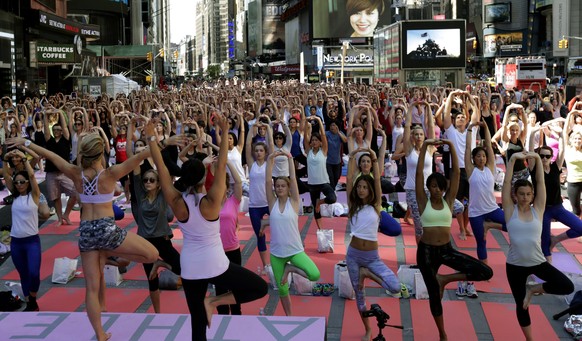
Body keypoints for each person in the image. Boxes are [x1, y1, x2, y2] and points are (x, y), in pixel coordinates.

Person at [6, 132, 159, 341]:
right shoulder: (109, 174)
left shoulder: (75, 173)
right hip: (106, 230)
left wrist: (25, 143)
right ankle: (113, 255)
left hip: (86, 232)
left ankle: (100, 334)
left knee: (92, 288)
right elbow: (142, 156)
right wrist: (159, 140)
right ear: (100, 154)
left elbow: (50, 155)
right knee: (152, 254)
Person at [146, 115, 267, 341]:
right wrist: (223, 131)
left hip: (190, 268)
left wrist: (151, 137)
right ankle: (214, 301)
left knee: (197, 327)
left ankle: (209, 303)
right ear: (204, 176)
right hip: (216, 265)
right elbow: (221, 164)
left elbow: (161, 169)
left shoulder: (178, 202)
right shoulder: (210, 203)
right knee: (259, 288)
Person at [415, 139, 493, 341]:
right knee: (434, 296)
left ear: (443, 189)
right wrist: (425, 146)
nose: (436, 190)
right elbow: (417, 175)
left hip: (446, 249)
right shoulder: (423, 201)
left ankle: (445, 279)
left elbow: (457, 173)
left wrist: (450, 144)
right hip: (426, 252)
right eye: (432, 186)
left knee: (485, 272)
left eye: (439, 187)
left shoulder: (449, 201)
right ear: (428, 188)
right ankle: (442, 334)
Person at [502, 151, 573, 340]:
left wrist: (535, 158)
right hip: (515, 266)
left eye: (528, 194)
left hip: (537, 262)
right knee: (521, 305)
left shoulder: (538, 209)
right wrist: (513, 160)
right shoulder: (510, 210)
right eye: (521, 194)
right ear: (515, 196)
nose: (525, 197)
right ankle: (530, 339)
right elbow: (506, 183)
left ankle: (533, 289)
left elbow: (541, 183)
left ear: (533, 196)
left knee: (566, 285)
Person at [127, 116, 182, 314]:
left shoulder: (162, 193)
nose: (148, 182)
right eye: (146, 180)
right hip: (145, 242)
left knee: (182, 269)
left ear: (158, 183)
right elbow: (132, 158)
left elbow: (160, 165)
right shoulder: (140, 192)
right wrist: (131, 129)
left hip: (163, 238)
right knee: (152, 281)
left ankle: (161, 263)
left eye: (152, 180)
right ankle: (158, 313)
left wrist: (161, 142)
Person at [345, 147, 401, 341]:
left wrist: (375, 160)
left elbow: (377, 180)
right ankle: (368, 330)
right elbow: (350, 176)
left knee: (395, 287)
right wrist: (352, 157)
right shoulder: (353, 206)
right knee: (359, 297)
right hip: (353, 256)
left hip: (372, 259)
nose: (360, 189)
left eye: (364, 187)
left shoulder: (376, 206)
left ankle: (367, 273)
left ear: (370, 190)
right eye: (358, 187)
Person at [262, 150, 320, 316]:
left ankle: (290, 269)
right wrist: (270, 160)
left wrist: (289, 159)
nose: (279, 188)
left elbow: (294, 179)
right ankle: (289, 316)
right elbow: (267, 182)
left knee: (314, 274)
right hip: (276, 253)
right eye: (277, 186)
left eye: (283, 186)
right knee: (282, 289)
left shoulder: (294, 202)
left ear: (288, 189)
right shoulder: (272, 203)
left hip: (294, 250)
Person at [466, 122, 506, 262]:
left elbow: (489, 145)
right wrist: (470, 129)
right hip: (476, 213)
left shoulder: (490, 168)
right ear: (473, 159)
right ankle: (485, 268)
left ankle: (489, 226)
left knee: (512, 225)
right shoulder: (471, 171)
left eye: (483, 156)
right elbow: (467, 148)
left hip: (492, 209)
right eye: (478, 156)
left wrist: (486, 127)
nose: (481, 158)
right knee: (481, 242)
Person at [8, 159, 41, 311]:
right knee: (24, 274)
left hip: (32, 242)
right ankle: (29, 302)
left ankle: (32, 297)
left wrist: (24, 160)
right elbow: (6, 176)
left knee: (34, 273)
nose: (19, 185)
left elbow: (33, 176)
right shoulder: (15, 197)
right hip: (16, 242)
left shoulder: (34, 196)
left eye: (22, 182)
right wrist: (5, 157)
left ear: (27, 183)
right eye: (17, 183)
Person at [216, 161, 244, 315]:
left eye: (222, 185)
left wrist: (226, 161)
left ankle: (236, 316)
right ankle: (222, 319)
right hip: (216, 251)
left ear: (227, 188)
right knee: (220, 288)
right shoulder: (208, 203)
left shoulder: (233, 201)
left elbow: (238, 181)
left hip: (233, 249)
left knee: (235, 286)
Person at [246, 122, 273, 271]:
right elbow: (248, 143)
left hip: (269, 203)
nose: (258, 153)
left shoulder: (269, 162)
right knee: (260, 235)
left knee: (280, 231)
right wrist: (252, 128)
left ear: (265, 152)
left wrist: (268, 128)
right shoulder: (252, 164)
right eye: (256, 151)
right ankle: (266, 266)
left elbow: (271, 146)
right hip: (254, 205)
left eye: (261, 150)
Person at [304, 115, 337, 228]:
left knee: (332, 198)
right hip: (312, 184)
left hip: (323, 182)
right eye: (312, 140)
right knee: (316, 210)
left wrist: (318, 120)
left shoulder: (323, 151)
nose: (314, 142)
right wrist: (306, 123)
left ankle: (320, 202)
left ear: (320, 142)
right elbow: (305, 136)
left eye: (316, 140)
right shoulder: (308, 152)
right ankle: (321, 229)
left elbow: (323, 135)